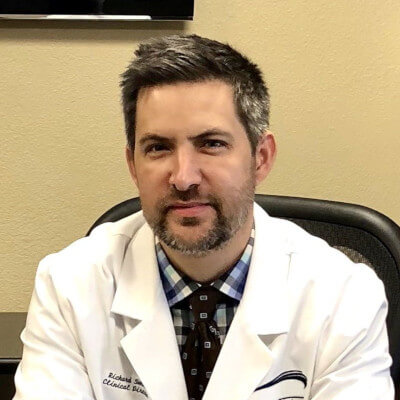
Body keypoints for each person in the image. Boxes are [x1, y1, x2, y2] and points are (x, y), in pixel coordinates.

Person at [14, 34, 393, 400]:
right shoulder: (70, 285)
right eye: (158, 148)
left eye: (211, 144)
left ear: (260, 158)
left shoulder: (343, 296)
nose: (183, 178)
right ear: (133, 165)